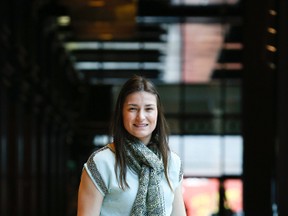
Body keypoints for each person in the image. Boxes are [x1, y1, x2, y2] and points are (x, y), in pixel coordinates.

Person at [77, 75, 186, 216]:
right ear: (121, 112)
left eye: (149, 109)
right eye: (132, 109)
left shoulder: (172, 163)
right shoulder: (102, 163)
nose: (141, 116)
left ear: (157, 113)